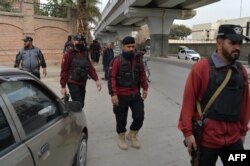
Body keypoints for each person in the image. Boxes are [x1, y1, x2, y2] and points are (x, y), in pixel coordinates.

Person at [178, 24, 250, 166]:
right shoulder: (201, 67)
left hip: (234, 139)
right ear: (219, 42)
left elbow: (245, 104)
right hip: (206, 141)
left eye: (239, 43)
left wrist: (243, 132)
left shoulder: (242, 72)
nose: (237, 47)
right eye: (232, 42)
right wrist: (187, 133)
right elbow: (189, 101)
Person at [108, 36, 148, 150]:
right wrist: (113, 94)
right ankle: (121, 137)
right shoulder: (116, 61)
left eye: (133, 46)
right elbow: (112, 78)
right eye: (128, 46)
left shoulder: (138, 59)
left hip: (135, 94)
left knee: (140, 116)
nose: (131, 49)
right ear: (123, 47)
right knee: (121, 118)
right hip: (121, 95)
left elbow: (142, 75)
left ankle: (132, 134)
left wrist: (145, 88)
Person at [60, 34, 102, 108]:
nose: (79, 43)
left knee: (81, 104)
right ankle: (74, 117)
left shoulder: (85, 54)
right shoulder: (69, 54)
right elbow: (64, 70)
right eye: (78, 41)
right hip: (72, 82)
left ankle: (70, 111)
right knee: (78, 104)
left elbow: (90, 68)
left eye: (81, 41)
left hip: (82, 82)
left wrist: (96, 79)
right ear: (73, 42)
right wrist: (63, 86)